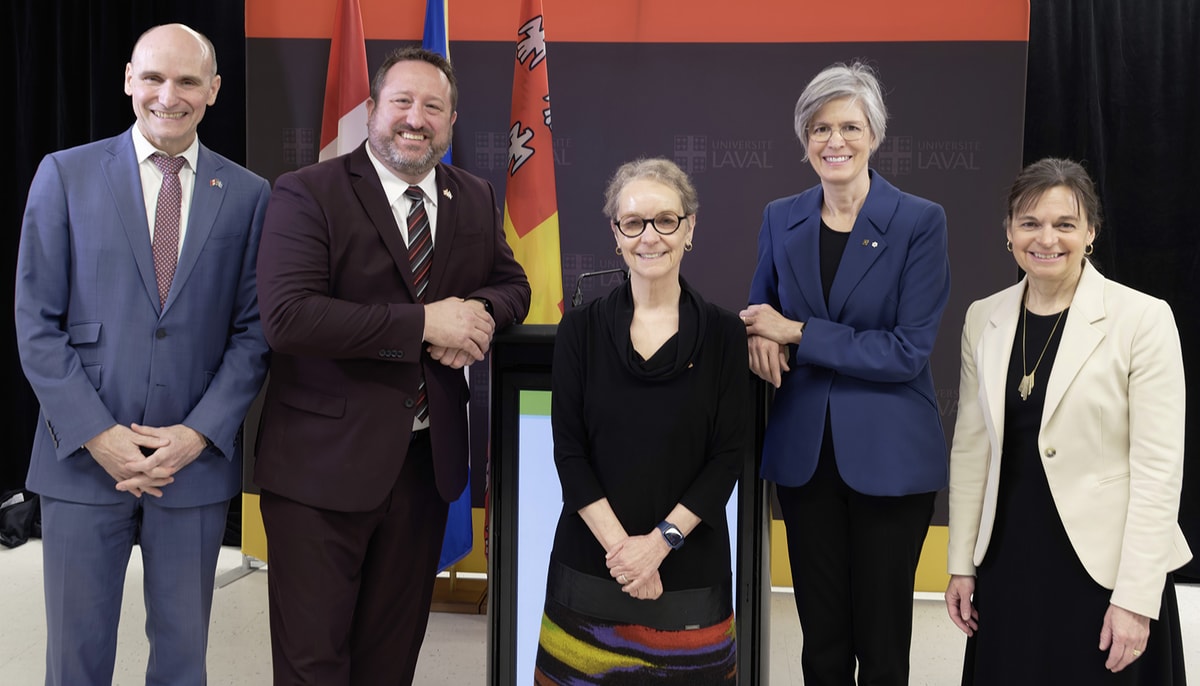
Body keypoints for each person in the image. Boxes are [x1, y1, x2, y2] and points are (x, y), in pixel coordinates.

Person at [254, 46, 530, 684]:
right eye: (402, 102)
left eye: (433, 106)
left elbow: (513, 285)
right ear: (373, 109)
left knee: (390, 660)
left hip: (423, 470)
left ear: (451, 121)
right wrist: (425, 324)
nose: (416, 118)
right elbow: (290, 317)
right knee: (313, 664)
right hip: (320, 473)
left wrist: (478, 313)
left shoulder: (472, 194)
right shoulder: (308, 191)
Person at [14, 23, 271, 685]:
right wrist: (98, 436)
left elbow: (253, 334)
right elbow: (36, 324)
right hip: (80, 460)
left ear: (213, 90)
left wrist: (198, 434)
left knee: (183, 659)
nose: (168, 95)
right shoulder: (64, 175)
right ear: (129, 79)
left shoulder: (249, 195)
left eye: (188, 81)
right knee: (75, 659)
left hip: (192, 465)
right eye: (153, 77)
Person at [742, 61, 951, 684]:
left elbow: (906, 351)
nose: (835, 141)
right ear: (805, 138)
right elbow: (761, 312)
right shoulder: (780, 217)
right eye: (820, 128)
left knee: (883, 646)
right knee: (822, 643)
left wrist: (798, 333)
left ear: (875, 135)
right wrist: (761, 334)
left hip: (890, 460)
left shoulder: (919, 221)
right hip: (805, 458)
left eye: (850, 127)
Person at [944, 158, 1191, 684]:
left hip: (1105, 575)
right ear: (1009, 231)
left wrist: (1136, 597)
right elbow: (970, 452)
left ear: (1091, 232)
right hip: (1007, 567)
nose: (1046, 239)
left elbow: (1159, 471)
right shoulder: (983, 317)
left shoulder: (1143, 319)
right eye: (1030, 223)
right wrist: (961, 563)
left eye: (1065, 224)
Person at [535, 158, 750, 684]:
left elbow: (727, 459)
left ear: (690, 228)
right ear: (616, 234)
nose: (649, 236)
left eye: (665, 220)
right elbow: (569, 455)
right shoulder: (579, 330)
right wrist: (625, 555)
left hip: (690, 571)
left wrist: (657, 546)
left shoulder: (725, 334)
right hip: (592, 566)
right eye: (633, 222)